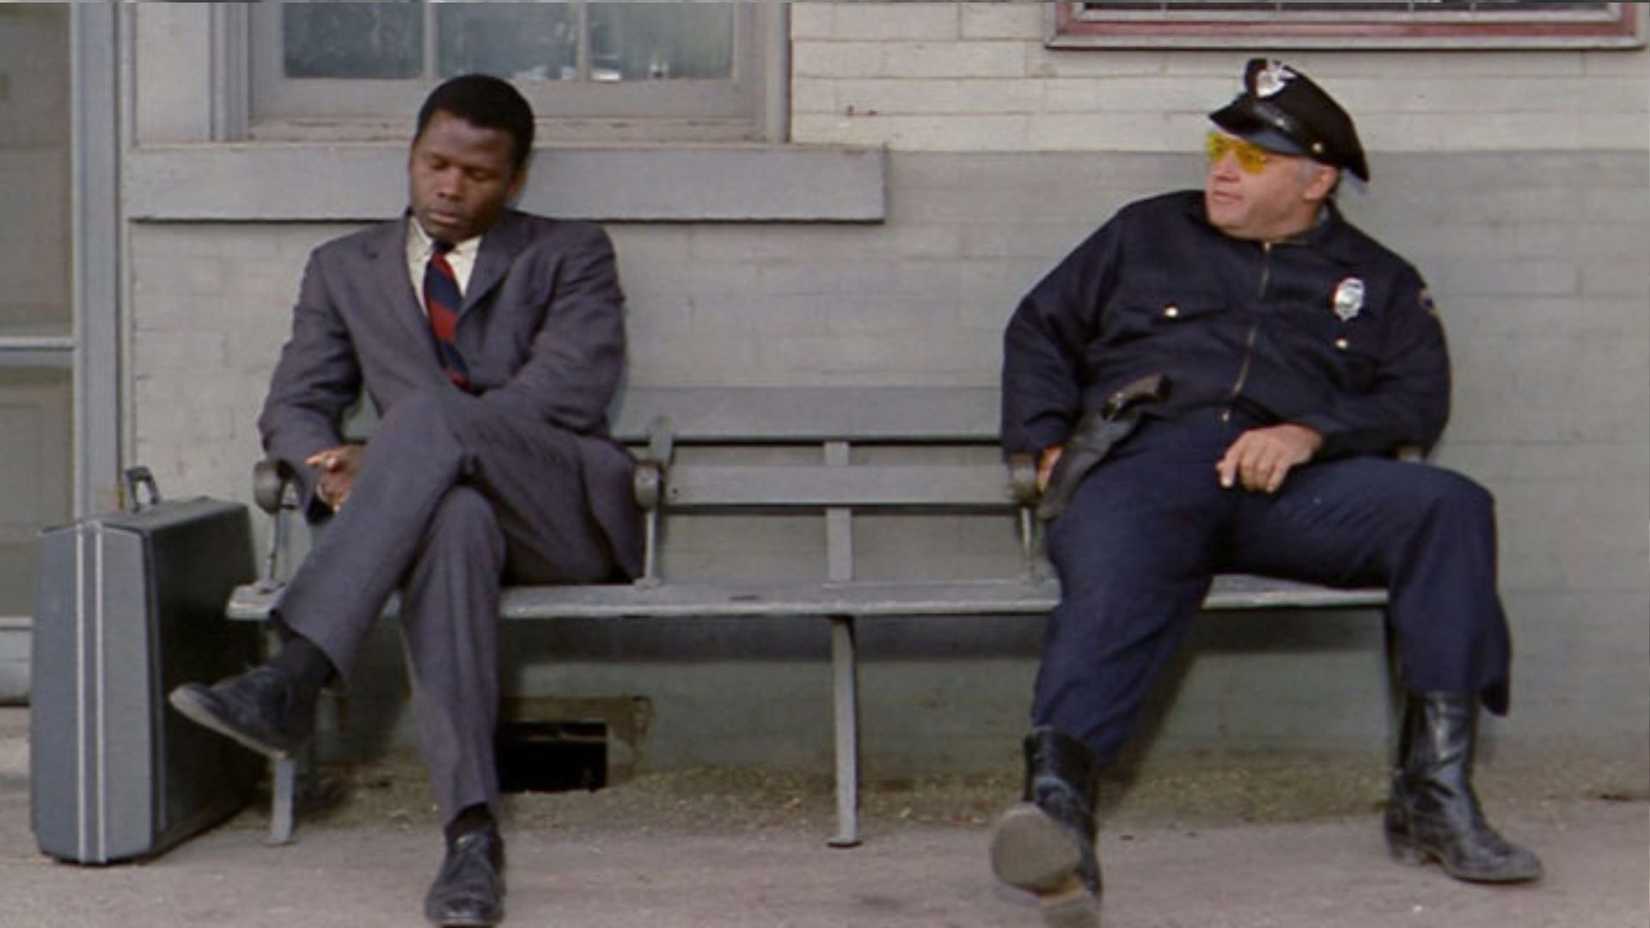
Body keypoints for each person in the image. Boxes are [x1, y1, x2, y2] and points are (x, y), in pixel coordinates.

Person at [989, 59, 1541, 926]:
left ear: (1316, 181)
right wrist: (1045, 442)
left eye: (1249, 158)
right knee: (1118, 581)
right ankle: (1058, 820)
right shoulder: (1145, 234)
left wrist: (1311, 432)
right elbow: (1039, 329)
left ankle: (1434, 797)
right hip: (1148, 467)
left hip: (1292, 488)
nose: (1219, 169)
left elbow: (1415, 399)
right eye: (1218, 147)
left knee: (1450, 506)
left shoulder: (1379, 280)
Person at [170, 74, 641, 928]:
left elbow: (567, 394)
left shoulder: (570, 252)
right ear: (412, 155)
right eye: (435, 164)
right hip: (438, 518)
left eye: (479, 175)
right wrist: (325, 467)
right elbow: (296, 403)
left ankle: (295, 673)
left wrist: (396, 449)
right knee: (452, 522)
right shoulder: (343, 268)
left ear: (518, 180)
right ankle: (469, 842)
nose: (451, 188)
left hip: (556, 515)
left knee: (424, 419)